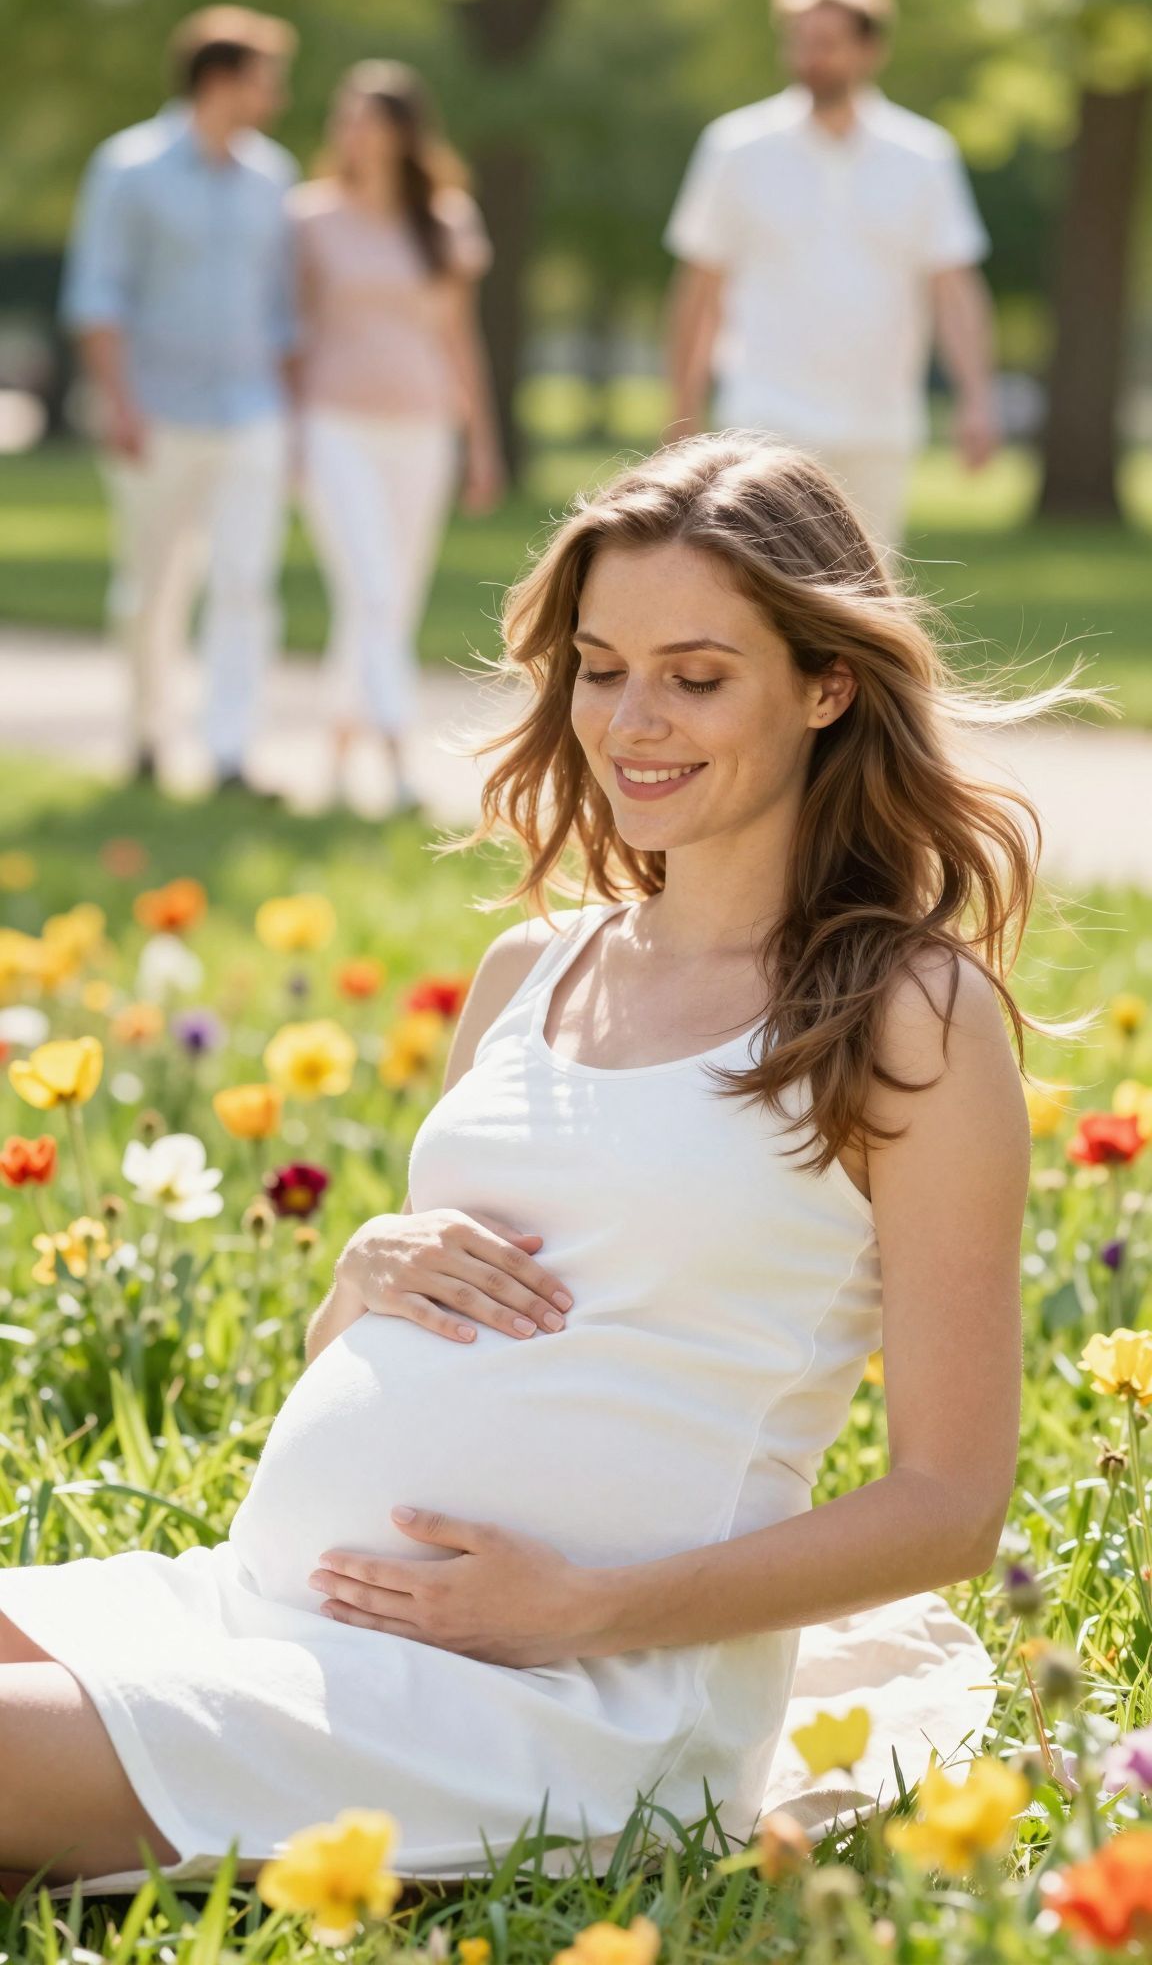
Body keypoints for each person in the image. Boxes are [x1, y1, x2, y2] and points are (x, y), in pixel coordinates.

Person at [4, 429, 1087, 1890]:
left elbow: (951, 1504)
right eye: (600, 666)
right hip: (271, 1616)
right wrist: (359, 1273)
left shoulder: (904, 1015)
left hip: (564, 1698)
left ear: (828, 686)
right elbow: (434, 1335)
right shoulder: (531, 973)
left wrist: (584, 1614)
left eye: (697, 678)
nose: (633, 720)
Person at [663, 0, 998, 550]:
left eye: (827, 43)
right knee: (770, 595)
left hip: (880, 422)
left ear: (871, 49)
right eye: (798, 42)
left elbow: (954, 289)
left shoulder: (923, 157)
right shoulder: (736, 149)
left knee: (866, 602)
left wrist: (977, 399)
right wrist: (682, 414)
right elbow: (700, 289)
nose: (809, 57)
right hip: (765, 416)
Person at [61, 6, 300, 793]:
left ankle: (230, 751)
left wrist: (288, 414)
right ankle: (144, 736)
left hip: (251, 413)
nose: (276, 97)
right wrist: (118, 403)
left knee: (244, 583)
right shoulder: (128, 167)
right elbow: (98, 295)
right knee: (150, 589)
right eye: (266, 80)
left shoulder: (274, 177)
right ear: (221, 79)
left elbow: (280, 308)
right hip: (153, 413)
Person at [290, 60, 505, 815]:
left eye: (372, 117)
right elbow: (293, 336)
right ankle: (398, 761)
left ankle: (337, 760)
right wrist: (289, 439)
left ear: (406, 130)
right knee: (373, 590)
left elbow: (460, 339)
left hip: (423, 429)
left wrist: (482, 443)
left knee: (387, 601)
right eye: (346, 116)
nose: (357, 132)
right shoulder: (308, 220)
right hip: (333, 425)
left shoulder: (446, 220)